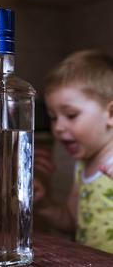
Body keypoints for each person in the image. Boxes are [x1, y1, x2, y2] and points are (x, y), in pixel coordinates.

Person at [35, 49, 113, 253]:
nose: (58, 127)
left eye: (70, 115)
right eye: (53, 117)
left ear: (111, 113)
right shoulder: (82, 165)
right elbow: (72, 221)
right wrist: (45, 205)